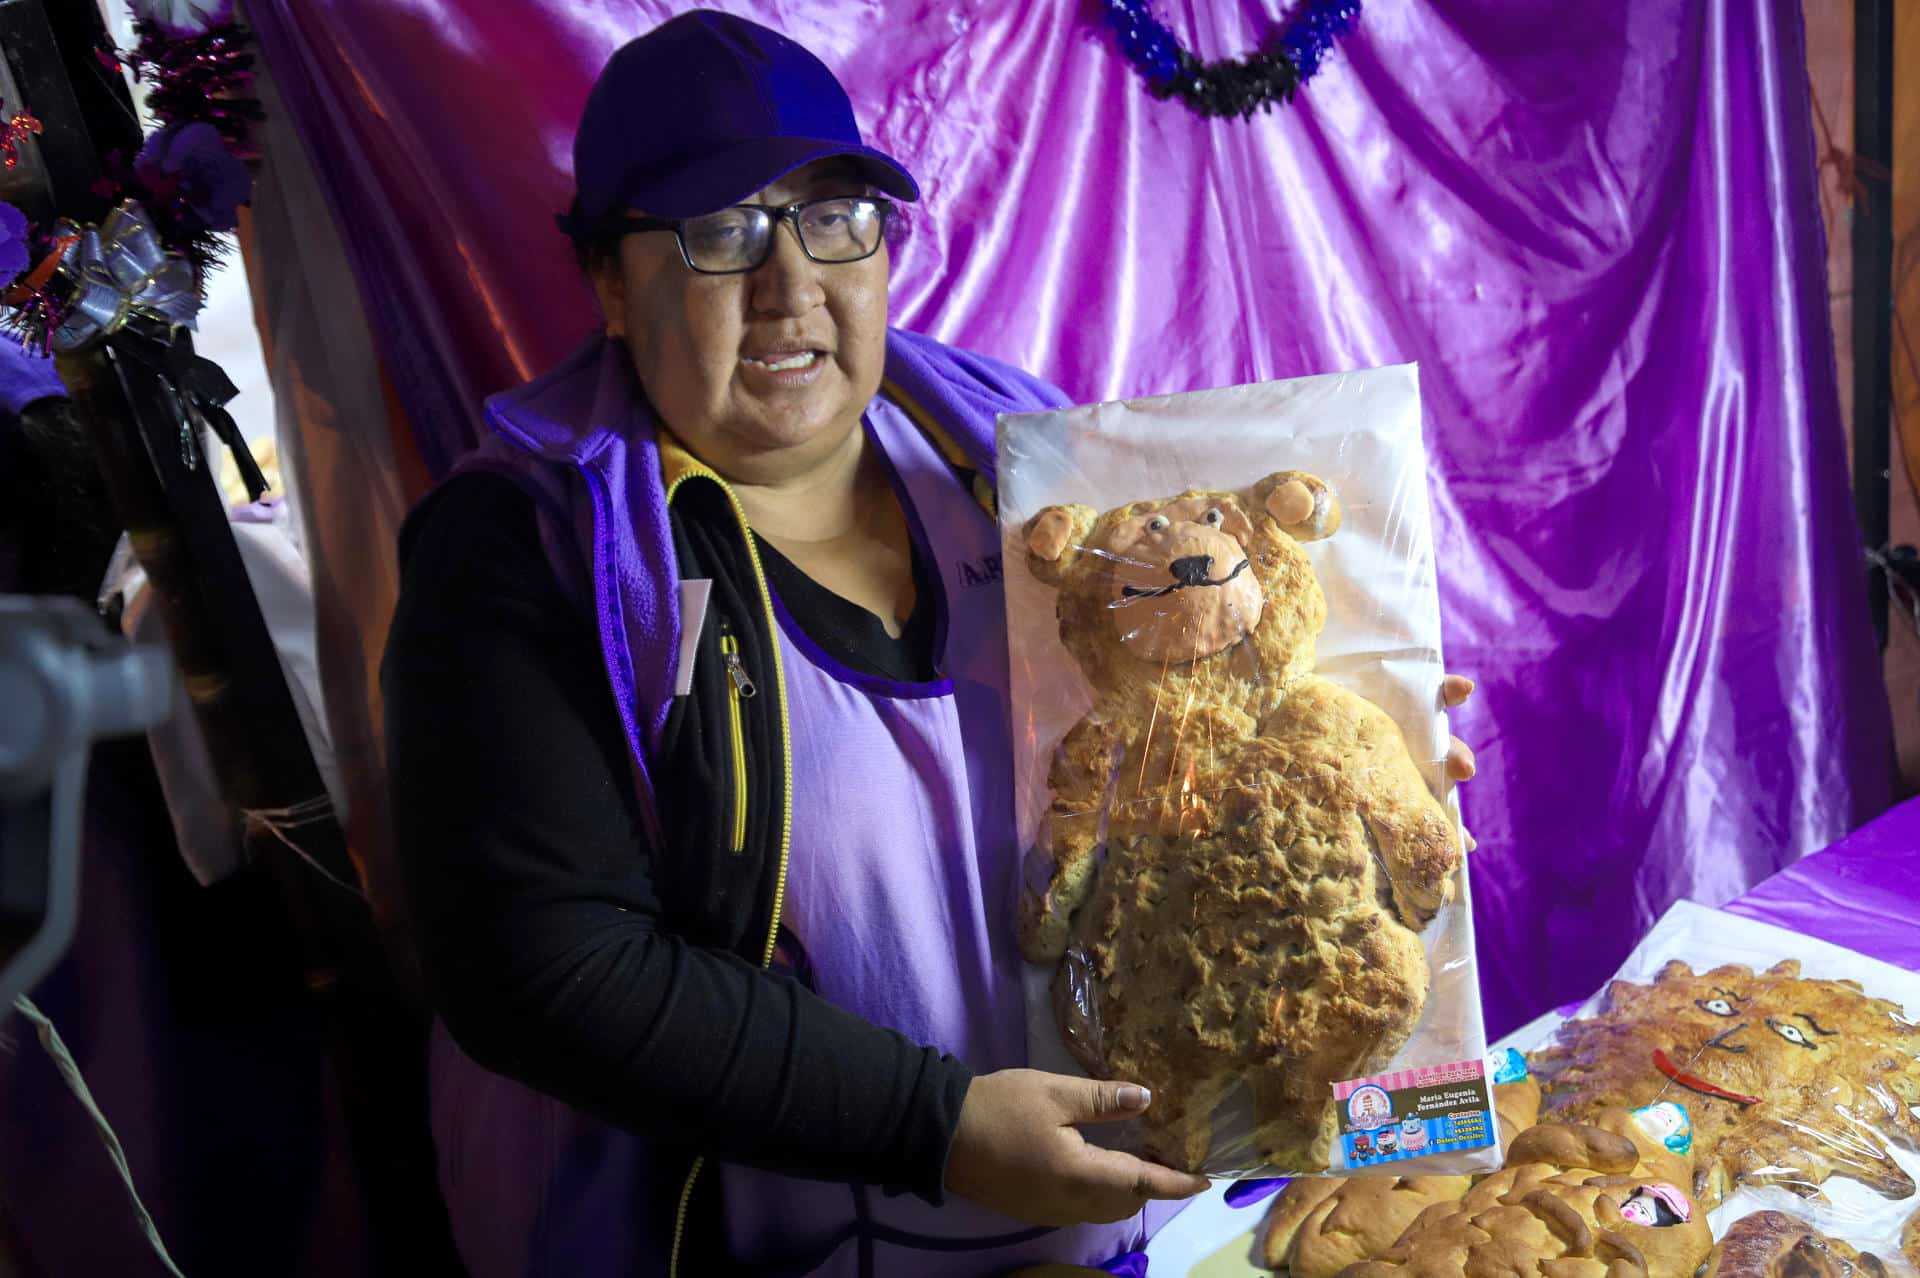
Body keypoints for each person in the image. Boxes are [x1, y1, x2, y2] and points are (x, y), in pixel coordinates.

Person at [382, 11, 1477, 1276]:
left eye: (834, 215)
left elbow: (1164, 750)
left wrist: (1362, 732)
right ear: (612, 284)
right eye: (720, 231)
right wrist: (935, 1127)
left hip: (1118, 1225)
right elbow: (544, 969)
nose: (792, 287)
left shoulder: (1021, 454)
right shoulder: (528, 551)